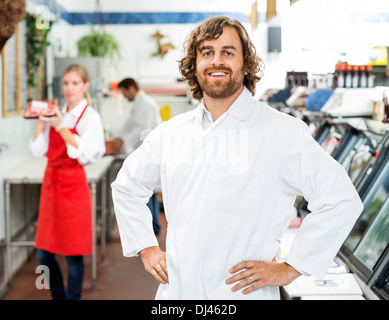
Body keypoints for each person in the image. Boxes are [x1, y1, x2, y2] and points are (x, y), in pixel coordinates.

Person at [111, 16, 363, 300]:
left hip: (242, 293)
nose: (216, 61)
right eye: (207, 52)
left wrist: (291, 268)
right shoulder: (171, 134)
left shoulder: (282, 131)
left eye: (228, 52)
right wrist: (147, 248)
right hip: (179, 291)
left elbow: (341, 198)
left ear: (245, 66)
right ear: (195, 65)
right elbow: (126, 187)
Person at [30, 64, 106, 300]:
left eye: (75, 83)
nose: (69, 88)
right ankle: (58, 296)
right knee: (43, 253)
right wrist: (40, 121)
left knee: (73, 253)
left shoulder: (90, 117)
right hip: (51, 185)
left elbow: (87, 153)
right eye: (66, 83)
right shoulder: (57, 110)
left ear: (85, 86)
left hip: (73, 188)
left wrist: (60, 127)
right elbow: (37, 149)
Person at [107, 77, 163, 234]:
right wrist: (117, 138)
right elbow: (129, 124)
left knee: (147, 190)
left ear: (131, 88)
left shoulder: (144, 104)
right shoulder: (138, 105)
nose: (124, 97)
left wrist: (122, 141)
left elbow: (141, 128)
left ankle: (153, 226)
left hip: (151, 152)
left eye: (124, 93)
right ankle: (154, 225)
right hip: (145, 151)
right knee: (148, 190)